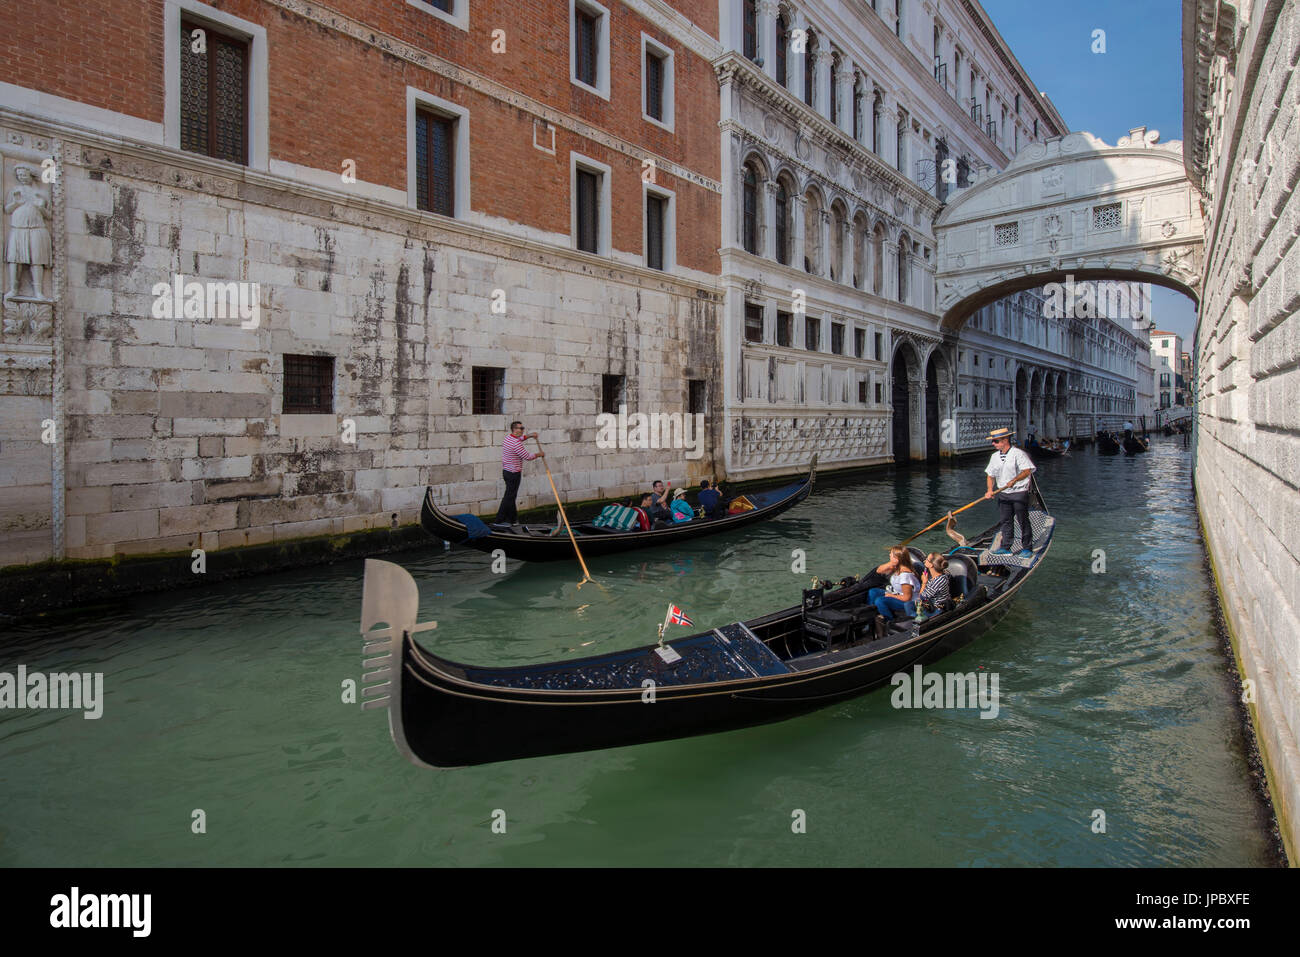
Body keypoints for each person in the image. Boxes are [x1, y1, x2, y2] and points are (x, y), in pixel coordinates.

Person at [983, 427, 1036, 558]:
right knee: (1005, 520)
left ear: (1005, 440)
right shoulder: (994, 456)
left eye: (995, 441)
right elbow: (990, 475)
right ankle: (1006, 547)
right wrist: (990, 490)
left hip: (1019, 492)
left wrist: (1015, 480)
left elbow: (1027, 471)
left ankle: (1027, 548)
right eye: (993, 441)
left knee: (1022, 520)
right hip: (1003, 493)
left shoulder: (1018, 454)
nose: (993, 444)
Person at [495, 421, 542, 525]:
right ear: (515, 430)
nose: (522, 430)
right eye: (521, 428)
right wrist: (539, 454)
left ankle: (512, 520)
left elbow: (520, 438)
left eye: (523, 428)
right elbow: (527, 457)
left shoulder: (509, 438)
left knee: (511, 496)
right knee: (509, 497)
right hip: (513, 474)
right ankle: (499, 520)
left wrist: (530, 435)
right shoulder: (516, 444)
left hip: (507, 472)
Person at [868, 546, 919, 632]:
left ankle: (890, 623)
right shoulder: (897, 567)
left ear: (897, 559)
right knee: (873, 592)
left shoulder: (905, 576)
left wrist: (891, 595)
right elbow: (879, 571)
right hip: (897, 594)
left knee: (880, 601)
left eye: (891, 554)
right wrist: (891, 563)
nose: (889, 555)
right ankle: (870, 618)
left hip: (908, 602)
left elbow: (907, 598)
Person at [915, 553, 952, 622]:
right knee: (908, 604)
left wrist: (924, 582)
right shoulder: (935, 575)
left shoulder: (938, 581)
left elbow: (921, 597)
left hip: (937, 609)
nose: (924, 561)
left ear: (931, 565)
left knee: (912, 610)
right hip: (930, 604)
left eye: (927, 560)